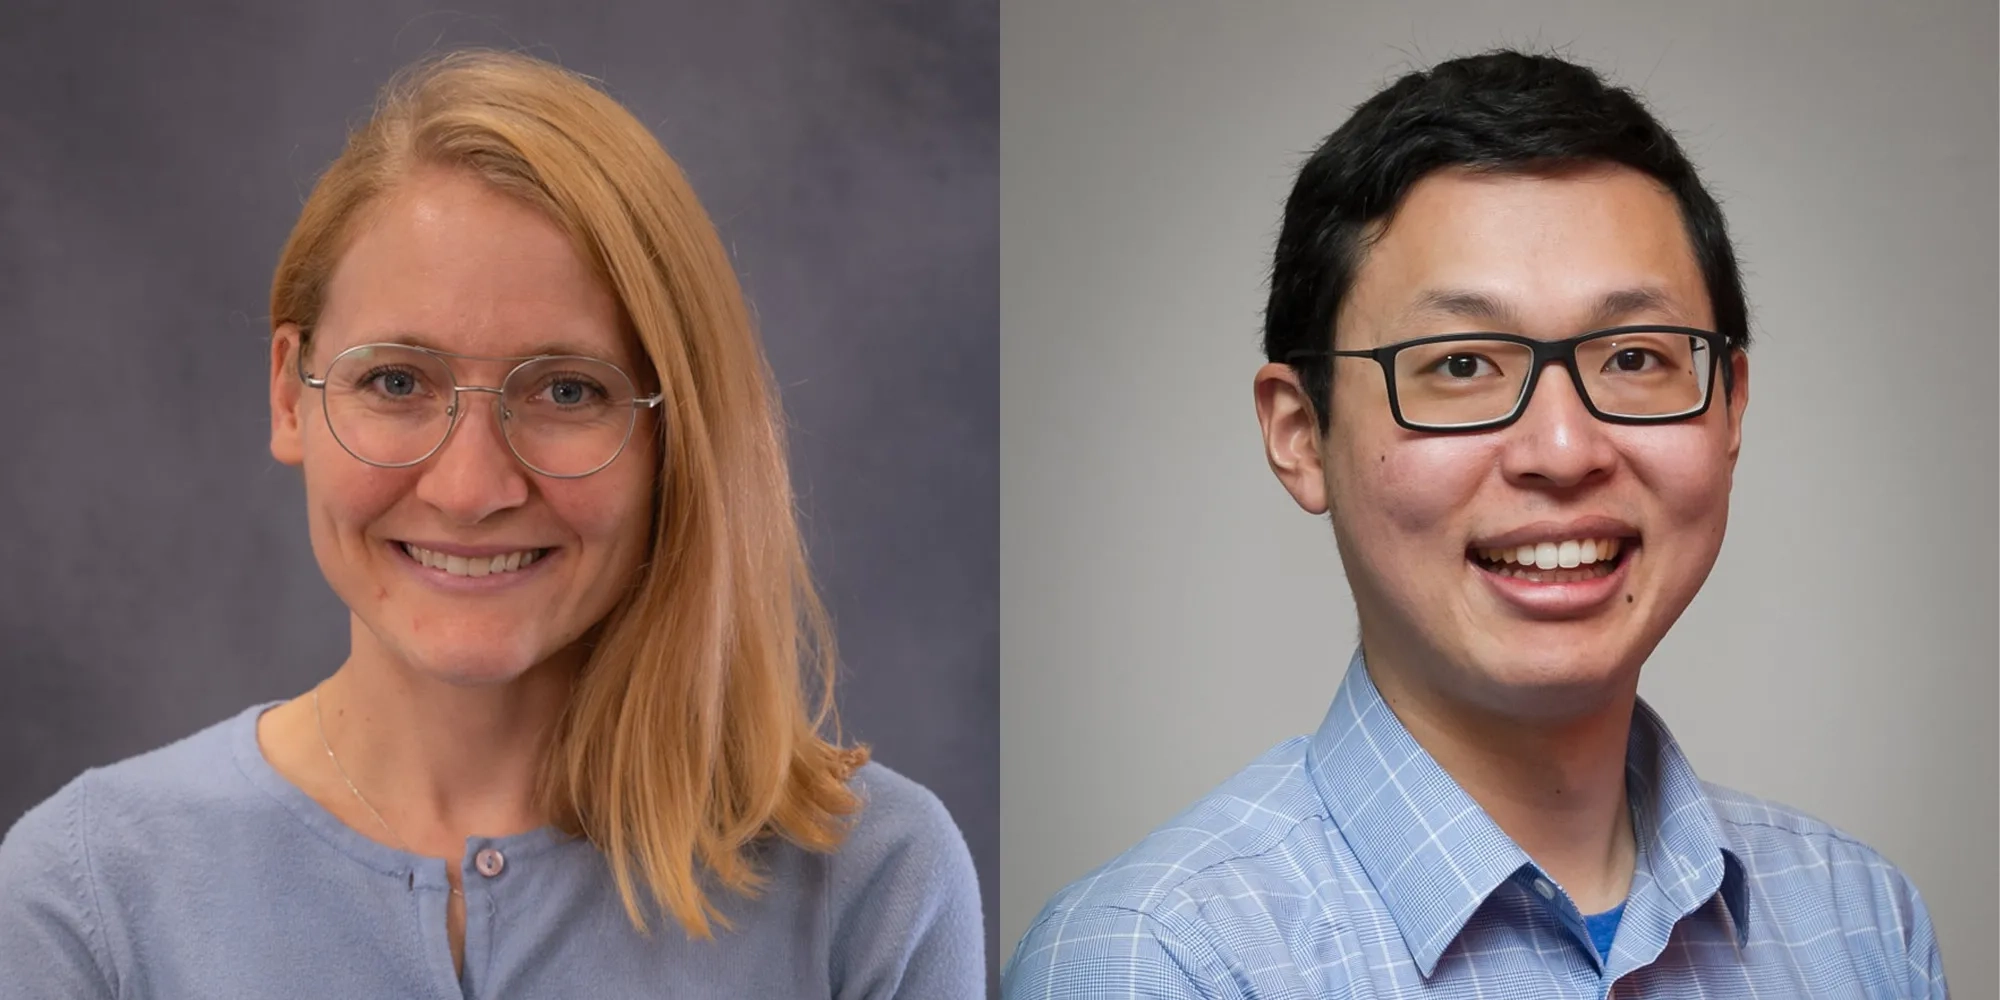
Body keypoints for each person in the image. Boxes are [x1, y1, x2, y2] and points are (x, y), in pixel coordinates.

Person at [0, 50, 982, 997]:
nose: (471, 488)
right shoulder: (87, 893)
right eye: (395, 381)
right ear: (289, 396)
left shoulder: (872, 887)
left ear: (677, 433)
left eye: (566, 389)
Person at [1004, 49, 1944, 998]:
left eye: (1633, 357)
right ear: (1300, 434)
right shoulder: (1155, 961)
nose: (1566, 448)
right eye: (1460, 365)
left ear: (1730, 408)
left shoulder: (1860, 921)